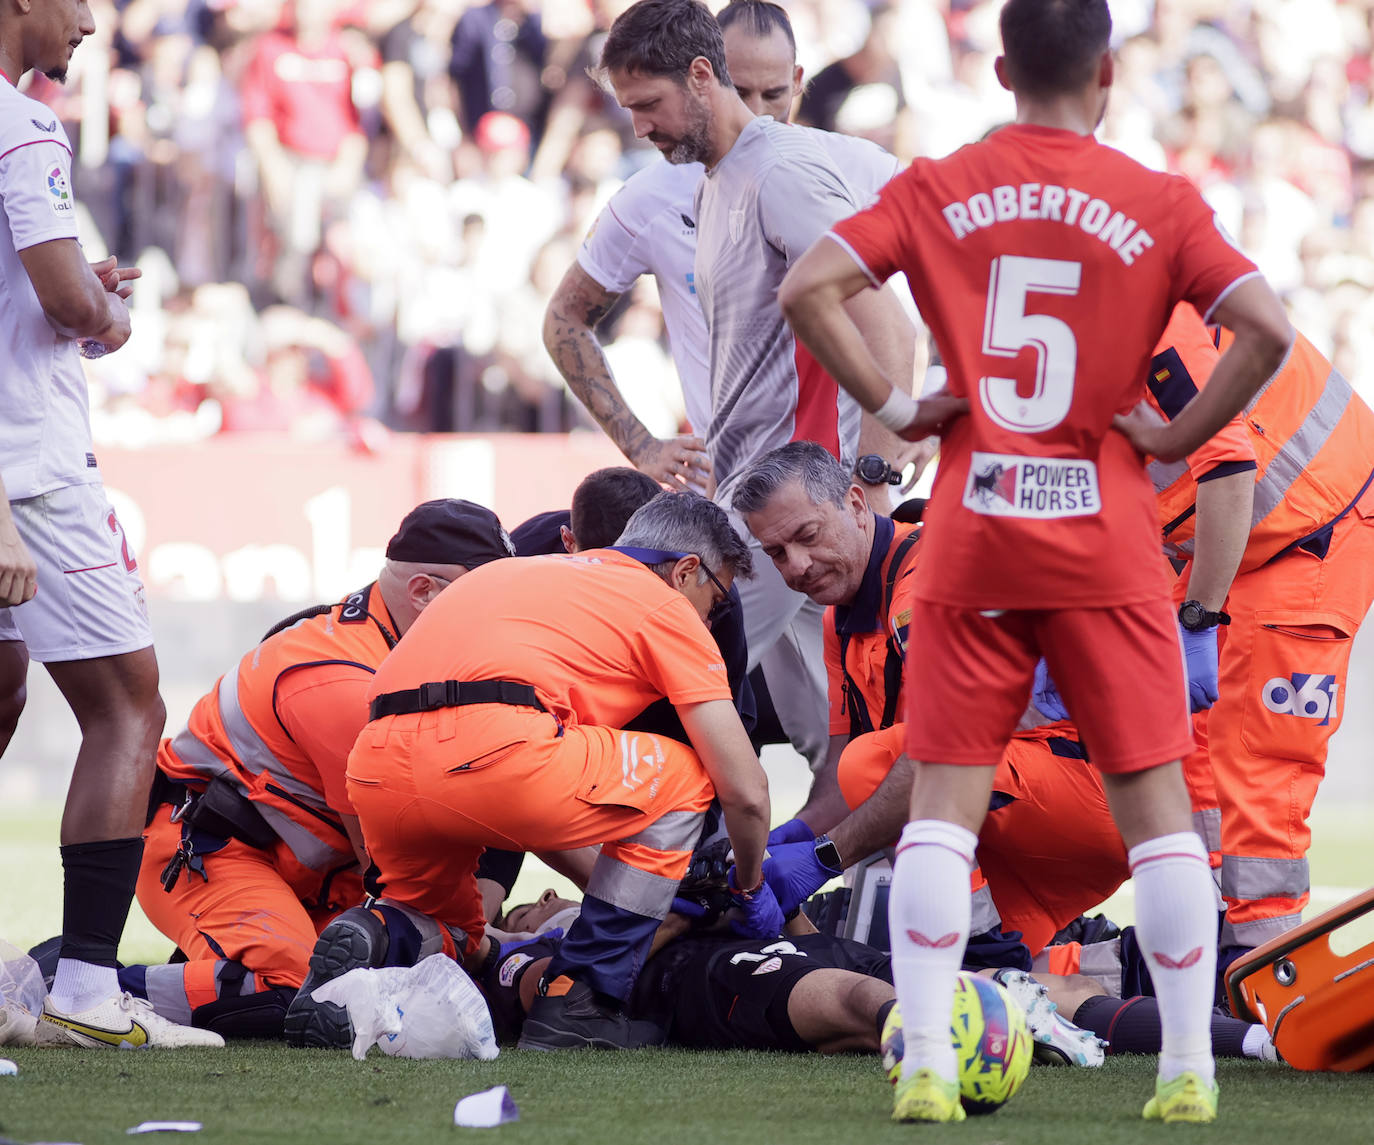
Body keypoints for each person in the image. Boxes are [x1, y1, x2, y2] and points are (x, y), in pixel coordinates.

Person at [775, 0, 1292, 1124]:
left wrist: (899, 408)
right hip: (1105, 536)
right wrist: (1171, 430)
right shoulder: (1157, 200)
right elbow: (1268, 328)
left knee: (941, 810)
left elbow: (807, 286)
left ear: (1001, 67)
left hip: (974, 530)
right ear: (1107, 70)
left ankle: (920, 1059)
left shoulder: (938, 184)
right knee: (1159, 811)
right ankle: (1190, 1074)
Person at [286, 491, 780, 1052]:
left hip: (376, 762)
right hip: (496, 753)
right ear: (687, 570)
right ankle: (584, 995)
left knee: (454, 931)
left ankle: (377, 935)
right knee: (692, 774)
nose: (713, 617)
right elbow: (746, 791)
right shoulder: (664, 604)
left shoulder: (514, 572)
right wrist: (748, 883)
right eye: (716, 600)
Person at [593, 0, 918, 808]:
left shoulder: (779, 174)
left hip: (781, 517)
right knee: (845, 748)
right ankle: (829, 908)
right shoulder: (714, 180)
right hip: (758, 504)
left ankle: (646, 917)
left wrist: (870, 487)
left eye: (646, 105)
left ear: (702, 78)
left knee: (652, 717)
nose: (639, 128)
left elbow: (890, 326)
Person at [0, 1, 220, 1050]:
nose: (89, 18)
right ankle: (86, 988)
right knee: (129, 705)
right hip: (29, 469)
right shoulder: (25, 124)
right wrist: (103, 307)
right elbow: (64, 297)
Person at [119, 500, 512, 1039]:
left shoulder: (396, 645)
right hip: (209, 850)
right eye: (486, 597)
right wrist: (482, 944)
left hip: (302, 872)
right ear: (423, 591)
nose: (500, 618)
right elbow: (396, 862)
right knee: (306, 986)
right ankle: (91, 988)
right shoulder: (345, 683)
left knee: (389, 968)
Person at [1141, 311, 1374, 959]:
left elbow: (1227, 463)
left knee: (1261, 760)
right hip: (1230, 541)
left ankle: (1267, 962)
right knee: (1184, 747)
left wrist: (1197, 613)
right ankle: (1212, 934)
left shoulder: (1144, 316)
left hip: (1313, 535)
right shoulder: (1097, 306)